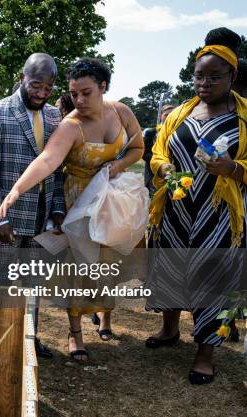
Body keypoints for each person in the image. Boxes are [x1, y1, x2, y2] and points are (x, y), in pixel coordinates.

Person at [0, 57, 144, 361]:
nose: (78, 99)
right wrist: (16, 189)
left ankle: (106, 316)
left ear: (103, 87)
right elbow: (48, 161)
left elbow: (138, 147)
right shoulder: (70, 125)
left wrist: (117, 166)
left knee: (109, 263)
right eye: (74, 93)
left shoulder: (122, 111)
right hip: (79, 203)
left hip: (113, 201)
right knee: (78, 269)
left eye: (86, 92)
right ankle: (74, 333)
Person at [147, 28, 247, 385]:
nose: (204, 83)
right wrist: (163, 167)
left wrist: (233, 168)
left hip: (219, 213)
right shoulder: (179, 113)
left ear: (232, 76)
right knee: (170, 268)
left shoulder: (243, 118)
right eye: (199, 76)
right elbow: (158, 149)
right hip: (175, 208)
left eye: (214, 76)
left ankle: (205, 354)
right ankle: (168, 329)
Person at [0, 53, 66, 358]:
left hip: (43, 219)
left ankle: (29, 338)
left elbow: (57, 169)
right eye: (35, 85)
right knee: (5, 285)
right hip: (9, 221)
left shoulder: (56, 117)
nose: (41, 93)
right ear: (21, 78)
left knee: (34, 286)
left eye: (48, 88)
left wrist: (57, 210)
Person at [143, 104, 175, 195]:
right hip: (153, 173)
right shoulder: (151, 133)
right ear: (161, 116)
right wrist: (159, 163)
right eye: (166, 115)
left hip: (172, 172)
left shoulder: (177, 133)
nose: (169, 117)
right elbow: (144, 153)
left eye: (171, 115)